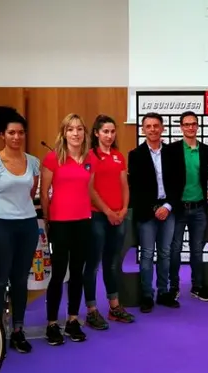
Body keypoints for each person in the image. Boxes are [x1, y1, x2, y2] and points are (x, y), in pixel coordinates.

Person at [0, 106, 40, 353]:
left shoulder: (33, 162)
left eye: (21, 133)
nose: (17, 137)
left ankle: (17, 330)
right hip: (0, 226)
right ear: (2, 134)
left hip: (27, 225)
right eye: (11, 133)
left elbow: (31, 193)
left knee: (19, 280)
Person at [39, 113, 92, 345]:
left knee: (78, 273)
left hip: (83, 221)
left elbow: (89, 190)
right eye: (71, 129)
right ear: (64, 133)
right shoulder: (52, 159)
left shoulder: (90, 159)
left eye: (80, 129)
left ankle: (72, 320)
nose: (76, 133)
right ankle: (52, 323)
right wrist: (48, 220)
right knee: (59, 273)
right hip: (60, 223)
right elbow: (44, 193)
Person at [84, 114, 135, 329]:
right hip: (97, 216)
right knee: (93, 264)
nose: (110, 135)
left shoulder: (118, 156)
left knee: (113, 263)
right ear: (96, 133)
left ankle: (114, 307)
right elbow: (90, 188)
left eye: (113, 131)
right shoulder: (90, 156)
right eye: (105, 131)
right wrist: (107, 211)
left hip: (119, 216)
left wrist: (123, 209)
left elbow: (124, 184)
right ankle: (92, 310)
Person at [128, 113, 180, 313]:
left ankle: (163, 292)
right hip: (147, 213)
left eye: (156, 125)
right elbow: (136, 188)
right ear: (143, 130)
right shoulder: (136, 154)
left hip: (168, 209)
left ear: (162, 128)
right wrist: (154, 209)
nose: (152, 129)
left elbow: (178, 183)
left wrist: (167, 206)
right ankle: (147, 295)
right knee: (147, 255)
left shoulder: (172, 153)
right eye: (148, 126)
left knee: (165, 253)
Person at [166, 111, 208, 301]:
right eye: (187, 124)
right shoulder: (172, 149)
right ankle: (174, 286)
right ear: (181, 127)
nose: (190, 127)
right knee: (174, 249)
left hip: (199, 208)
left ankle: (197, 286)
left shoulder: (206, 149)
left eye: (193, 124)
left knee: (197, 250)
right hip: (178, 209)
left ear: (198, 126)